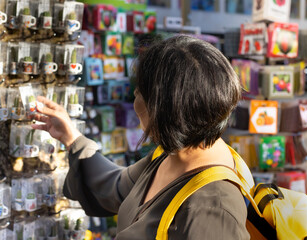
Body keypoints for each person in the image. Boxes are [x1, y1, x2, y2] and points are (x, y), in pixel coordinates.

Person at [32, 35, 250, 239]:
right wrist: (73, 139)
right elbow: (116, 187)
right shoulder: (173, 154)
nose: (135, 101)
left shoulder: (214, 206)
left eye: (139, 93)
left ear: (164, 110)